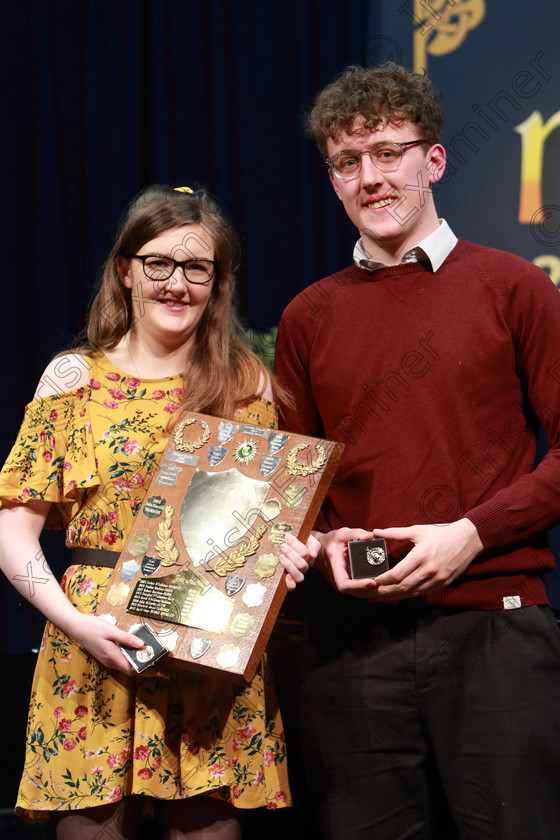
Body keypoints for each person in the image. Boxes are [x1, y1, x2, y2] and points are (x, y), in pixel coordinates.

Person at [275, 63, 560, 840]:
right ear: (333, 179)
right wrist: (322, 537)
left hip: (494, 626)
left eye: (389, 152)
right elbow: (288, 488)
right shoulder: (308, 318)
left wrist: (471, 534)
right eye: (347, 161)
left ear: (432, 160)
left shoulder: (514, 288)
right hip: (349, 647)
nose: (371, 177)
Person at [0, 184, 314, 840]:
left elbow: (265, 531)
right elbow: (13, 533)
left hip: (207, 649)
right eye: (159, 264)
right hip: (92, 647)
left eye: (198, 268)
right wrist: (77, 625)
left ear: (217, 282)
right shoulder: (72, 380)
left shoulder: (245, 383)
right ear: (126, 269)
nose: (178, 283)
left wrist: (283, 556)